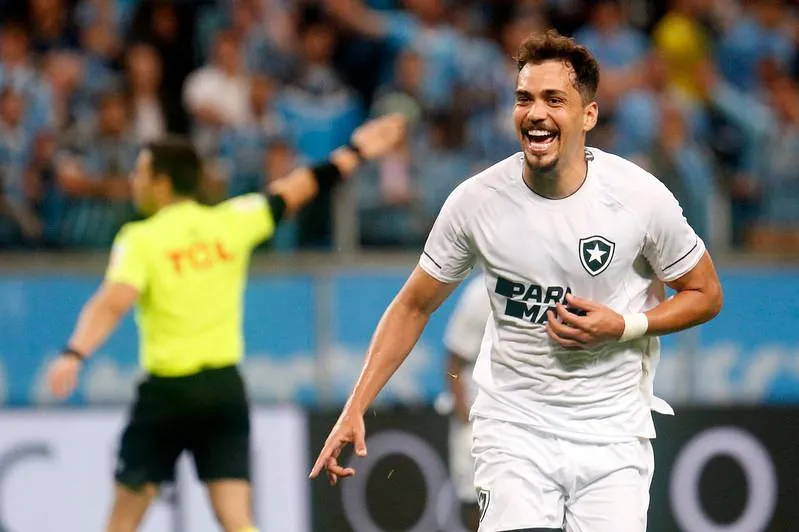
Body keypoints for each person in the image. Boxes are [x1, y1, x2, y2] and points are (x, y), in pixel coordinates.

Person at [310, 30, 723, 532]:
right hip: (514, 430)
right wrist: (356, 404)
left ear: (588, 115)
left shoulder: (639, 198)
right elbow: (413, 305)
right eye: (524, 99)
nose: (535, 113)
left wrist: (625, 326)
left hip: (613, 435)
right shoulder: (476, 202)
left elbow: (705, 293)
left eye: (555, 100)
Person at [45, 113, 406, 532]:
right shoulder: (230, 221)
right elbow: (298, 188)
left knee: (122, 524)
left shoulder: (140, 239)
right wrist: (356, 151)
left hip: (167, 394)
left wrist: (74, 352)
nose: (133, 180)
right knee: (236, 519)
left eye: (140, 172)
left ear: (162, 182)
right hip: (222, 390)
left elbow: (112, 304)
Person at [443, 272, 490, 531]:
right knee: (473, 502)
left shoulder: (547, 284)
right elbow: (453, 363)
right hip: (477, 416)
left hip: (521, 415)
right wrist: (465, 416)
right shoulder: (480, 293)